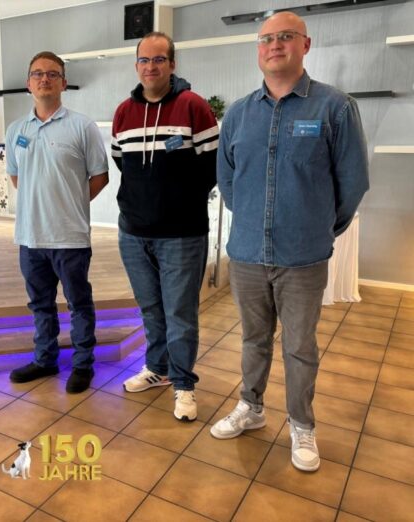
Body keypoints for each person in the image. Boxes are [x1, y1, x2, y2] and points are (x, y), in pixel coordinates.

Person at [211, 12, 369, 472]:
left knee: (299, 347)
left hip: (303, 256)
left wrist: (318, 227)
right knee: (253, 339)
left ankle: (301, 424)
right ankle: (252, 407)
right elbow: (227, 179)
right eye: (266, 39)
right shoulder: (239, 114)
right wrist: (252, 221)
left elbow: (353, 182)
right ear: (258, 50)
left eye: (285, 37)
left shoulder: (334, 108)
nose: (274, 45)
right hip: (246, 253)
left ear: (305, 45)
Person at [111, 32, 219, 421]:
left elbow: (211, 167)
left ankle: (184, 384)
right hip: (133, 233)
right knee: (151, 310)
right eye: (144, 60)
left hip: (182, 235)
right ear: (136, 65)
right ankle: (157, 369)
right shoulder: (124, 112)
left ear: (172, 64)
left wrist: (175, 202)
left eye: (159, 59)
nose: (151, 67)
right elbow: (122, 162)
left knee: (180, 315)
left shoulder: (194, 107)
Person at [5, 51, 109, 393]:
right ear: (28, 83)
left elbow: (100, 176)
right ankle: (45, 360)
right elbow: (17, 177)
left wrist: (68, 204)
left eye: (52, 74)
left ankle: (83, 364)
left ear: (64, 83)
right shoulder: (16, 130)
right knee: (40, 305)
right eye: (38, 74)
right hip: (30, 238)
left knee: (79, 304)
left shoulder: (83, 126)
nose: (44, 79)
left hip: (70, 238)